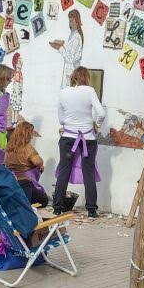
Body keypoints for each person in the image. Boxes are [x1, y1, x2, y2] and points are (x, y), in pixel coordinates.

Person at [54, 67, 106, 218]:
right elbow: (101, 113)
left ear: (73, 77)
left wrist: (71, 122)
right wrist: (97, 124)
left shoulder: (63, 92)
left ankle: (57, 208)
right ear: (86, 77)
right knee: (89, 173)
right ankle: (91, 210)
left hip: (68, 137)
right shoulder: (89, 91)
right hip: (88, 138)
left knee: (64, 171)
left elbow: (61, 120)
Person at [5, 120, 49, 206]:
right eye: (31, 133)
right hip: (27, 181)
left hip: (13, 179)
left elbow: (5, 162)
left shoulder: (9, 146)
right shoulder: (27, 148)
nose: (32, 136)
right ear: (27, 134)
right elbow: (38, 162)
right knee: (44, 201)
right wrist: (41, 166)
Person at [50, 10, 83, 89]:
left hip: (72, 74)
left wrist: (59, 48)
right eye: (69, 21)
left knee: (67, 93)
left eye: (71, 21)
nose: (69, 24)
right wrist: (62, 43)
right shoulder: (73, 35)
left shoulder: (76, 37)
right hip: (69, 73)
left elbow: (70, 58)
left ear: (77, 21)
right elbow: (70, 51)